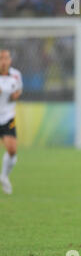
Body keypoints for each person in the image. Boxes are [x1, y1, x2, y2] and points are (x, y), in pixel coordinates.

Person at [0, 50, 22, 195]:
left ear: (10, 60)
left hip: (8, 117)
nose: (3, 61)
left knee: (12, 150)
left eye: (5, 58)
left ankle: (4, 176)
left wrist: (14, 96)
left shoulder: (16, 75)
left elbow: (18, 91)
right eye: (0, 58)